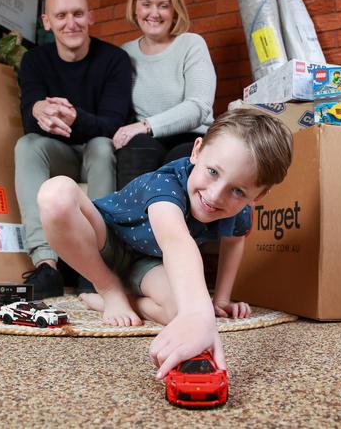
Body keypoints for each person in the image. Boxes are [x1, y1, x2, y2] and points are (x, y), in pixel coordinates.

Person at [37, 109, 293, 379]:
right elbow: (175, 241)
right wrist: (199, 313)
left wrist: (220, 300)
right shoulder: (165, 183)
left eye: (238, 191)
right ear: (197, 151)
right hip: (105, 239)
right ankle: (109, 290)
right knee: (56, 195)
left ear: (259, 195)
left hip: (148, 263)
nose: (216, 195)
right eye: (212, 172)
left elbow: (234, 243)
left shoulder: (239, 210)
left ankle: (120, 300)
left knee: (178, 312)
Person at [15, 0, 132, 299]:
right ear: (46, 22)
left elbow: (112, 124)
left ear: (91, 17)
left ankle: (95, 265)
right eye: (61, 15)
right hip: (61, 154)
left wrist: (73, 117)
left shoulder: (114, 60)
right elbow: (30, 118)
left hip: (99, 153)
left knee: (100, 144)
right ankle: (46, 265)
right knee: (26, 145)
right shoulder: (34, 61)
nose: (71, 23)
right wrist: (38, 109)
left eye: (78, 13)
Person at [113, 0, 217, 189]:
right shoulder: (124, 54)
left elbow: (199, 106)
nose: (154, 13)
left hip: (191, 136)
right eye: (146, 4)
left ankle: (171, 223)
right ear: (135, 7)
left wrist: (145, 125)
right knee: (137, 151)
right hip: (146, 141)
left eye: (163, 5)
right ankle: (129, 221)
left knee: (179, 161)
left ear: (175, 9)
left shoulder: (191, 44)